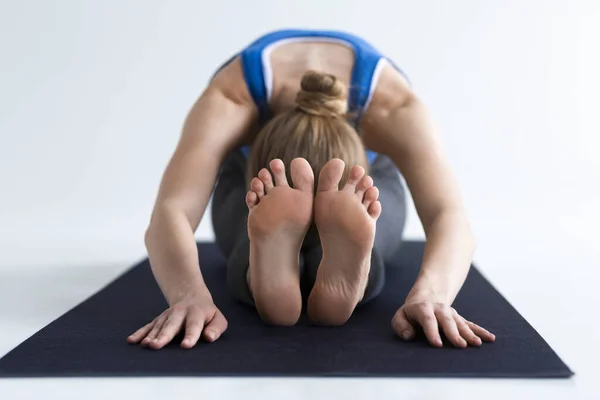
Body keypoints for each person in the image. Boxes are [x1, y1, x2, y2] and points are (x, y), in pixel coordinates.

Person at [127, 29, 496, 350]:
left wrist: (433, 295)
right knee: (280, 213)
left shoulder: (392, 110)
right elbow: (173, 210)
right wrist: (187, 293)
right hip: (253, 177)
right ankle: (322, 260)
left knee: (355, 210)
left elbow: (448, 214)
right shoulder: (231, 100)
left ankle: (263, 271)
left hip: (359, 177)